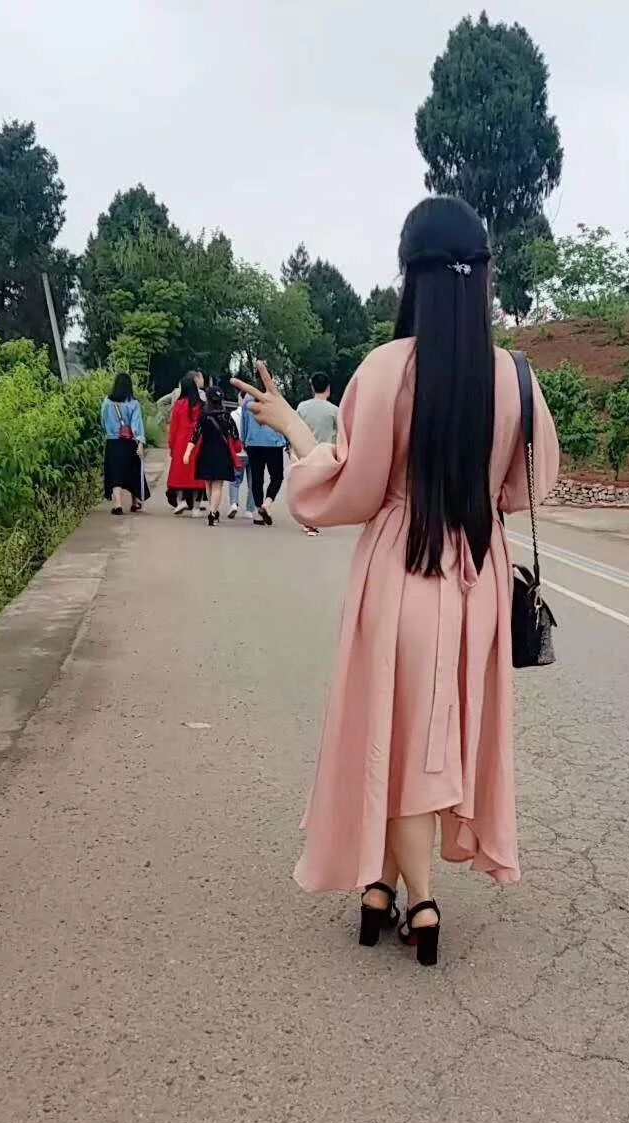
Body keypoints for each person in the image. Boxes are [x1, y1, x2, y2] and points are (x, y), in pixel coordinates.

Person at [232, 196, 559, 967]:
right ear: (482, 275)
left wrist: (293, 428)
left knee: (395, 730)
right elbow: (530, 483)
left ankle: (422, 900)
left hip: (402, 568)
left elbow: (349, 487)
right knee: (426, 733)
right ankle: (378, 885)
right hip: (476, 577)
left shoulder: (386, 369)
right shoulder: (513, 375)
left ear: (411, 274)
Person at [182, 386, 238, 527]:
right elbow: (235, 435)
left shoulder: (203, 416)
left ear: (207, 398)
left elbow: (195, 435)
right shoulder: (227, 416)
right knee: (218, 485)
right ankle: (213, 513)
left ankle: (213, 511)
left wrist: (187, 452)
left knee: (208, 483)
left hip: (206, 452)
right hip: (222, 453)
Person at [293, 372, 338, 536]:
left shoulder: (302, 407)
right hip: (324, 454)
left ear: (312, 387)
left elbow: (295, 429)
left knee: (306, 489)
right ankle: (312, 522)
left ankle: (308, 520)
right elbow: (341, 433)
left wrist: (292, 451)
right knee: (320, 490)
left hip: (304, 452)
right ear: (328, 388)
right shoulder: (334, 410)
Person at [100, 373, 148, 514]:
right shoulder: (133, 403)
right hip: (129, 442)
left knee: (115, 473)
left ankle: (118, 505)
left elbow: (103, 420)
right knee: (133, 471)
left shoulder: (107, 402)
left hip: (112, 442)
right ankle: (135, 502)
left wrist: (110, 431)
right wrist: (140, 443)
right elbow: (137, 424)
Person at [240, 388, 287, 526]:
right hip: (274, 442)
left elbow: (244, 420)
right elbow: (283, 420)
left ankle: (258, 512)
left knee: (257, 478)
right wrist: (286, 439)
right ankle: (267, 502)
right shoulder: (276, 398)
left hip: (253, 442)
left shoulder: (248, 399)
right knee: (277, 476)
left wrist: (244, 439)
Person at [164, 373, 205, 514]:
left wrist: (171, 445)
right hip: (197, 442)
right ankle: (196, 508)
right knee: (197, 476)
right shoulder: (201, 405)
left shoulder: (179, 404)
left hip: (180, 442)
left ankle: (180, 501)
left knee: (180, 474)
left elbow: (173, 428)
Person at [224, 394, 256, 519]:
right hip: (253, 451)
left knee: (235, 480)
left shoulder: (233, 415)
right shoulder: (255, 414)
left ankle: (234, 503)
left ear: (240, 399)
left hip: (238, 453)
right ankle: (249, 510)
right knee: (253, 482)